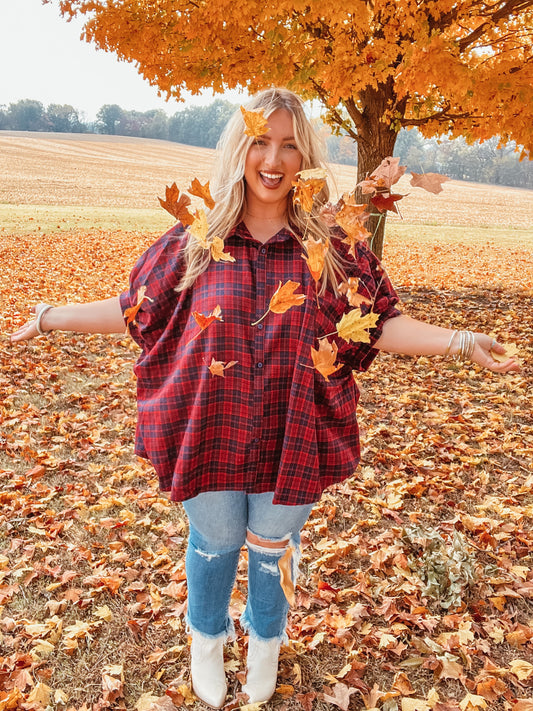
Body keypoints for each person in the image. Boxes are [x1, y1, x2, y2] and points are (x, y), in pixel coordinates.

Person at [10, 88, 519, 709]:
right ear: (240, 148)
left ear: (305, 158)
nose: (273, 159)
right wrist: (50, 315)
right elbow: (134, 311)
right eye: (260, 142)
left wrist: (461, 339)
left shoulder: (330, 246)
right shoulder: (197, 240)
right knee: (215, 545)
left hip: (295, 430)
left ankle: (266, 643)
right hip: (208, 428)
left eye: (289, 146)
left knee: (270, 550)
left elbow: (378, 324)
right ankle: (206, 642)